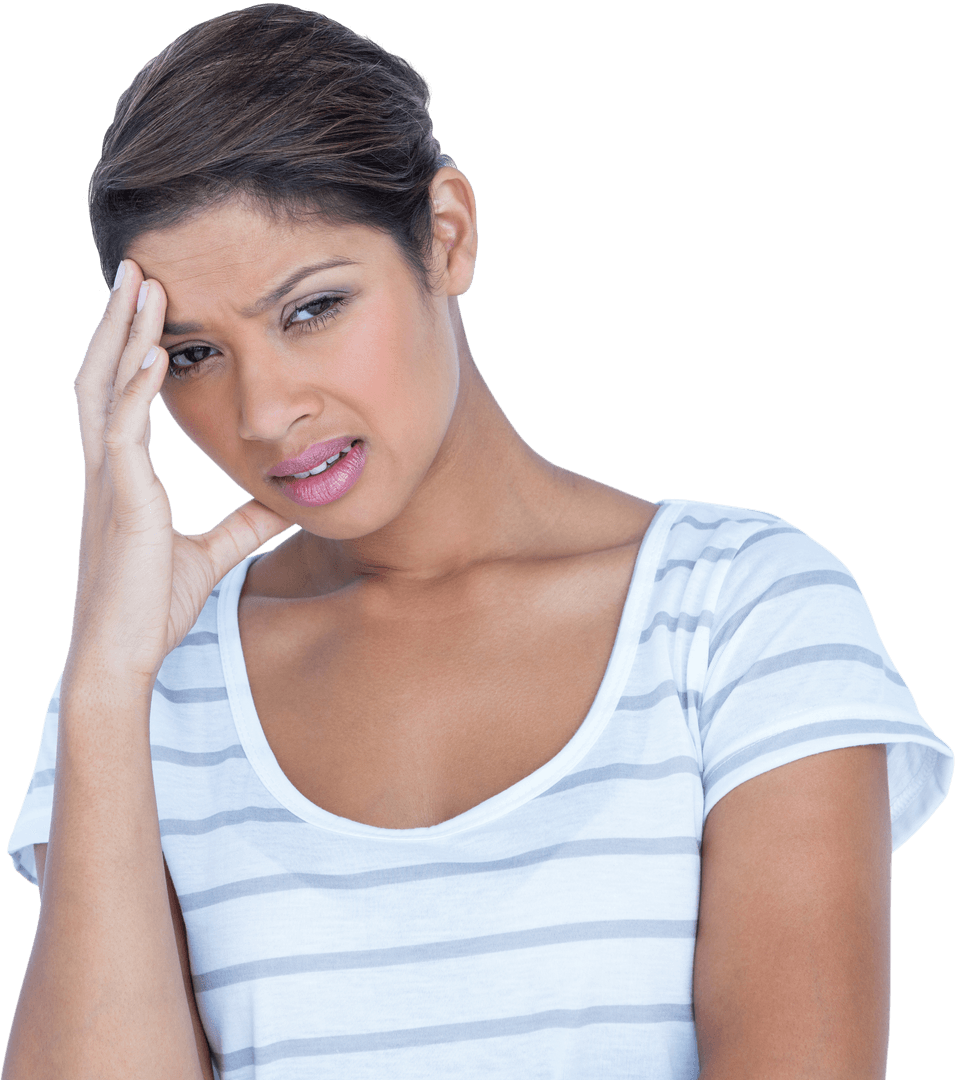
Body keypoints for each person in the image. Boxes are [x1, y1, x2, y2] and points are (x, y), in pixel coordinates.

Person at [3, 4, 952, 1078]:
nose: (264, 411)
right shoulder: (149, 688)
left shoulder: (740, 617)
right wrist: (105, 679)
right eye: (191, 355)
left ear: (444, 235)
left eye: (311, 308)